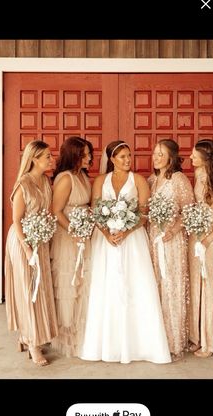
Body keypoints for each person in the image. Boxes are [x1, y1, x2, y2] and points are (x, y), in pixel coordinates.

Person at [80, 140, 171, 364]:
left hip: (132, 241)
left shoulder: (138, 180)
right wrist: (107, 233)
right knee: (107, 287)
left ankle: (142, 346)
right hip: (106, 241)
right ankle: (107, 345)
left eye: (129, 156)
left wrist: (126, 231)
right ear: (111, 159)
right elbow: (95, 210)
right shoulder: (101, 180)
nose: (127, 160)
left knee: (136, 285)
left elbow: (143, 213)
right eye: (122, 157)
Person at [5, 140, 58, 366]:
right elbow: (17, 220)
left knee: (39, 290)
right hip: (22, 241)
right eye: (46, 156)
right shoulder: (23, 184)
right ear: (34, 159)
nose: (50, 159)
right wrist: (27, 249)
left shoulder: (45, 181)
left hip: (40, 240)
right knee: (28, 290)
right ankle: (33, 345)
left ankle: (26, 336)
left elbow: (46, 212)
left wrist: (45, 236)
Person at [148, 139, 194, 361]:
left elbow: (188, 211)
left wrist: (173, 231)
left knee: (171, 287)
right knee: (155, 286)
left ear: (171, 158)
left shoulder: (179, 179)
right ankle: (157, 338)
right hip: (153, 239)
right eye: (155, 153)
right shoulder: (151, 180)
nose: (156, 157)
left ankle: (174, 343)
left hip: (172, 242)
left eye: (161, 154)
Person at [50, 136, 93, 357]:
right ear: (73, 155)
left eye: (89, 154)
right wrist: (74, 232)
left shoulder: (83, 176)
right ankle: (67, 337)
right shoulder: (66, 179)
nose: (89, 158)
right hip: (68, 237)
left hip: (83, 235)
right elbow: (56, 211)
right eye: (84, 154)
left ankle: (82, 333)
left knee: (83, 284)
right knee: (70, 283)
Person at [188, 139, 213, 357]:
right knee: (195, 286)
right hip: (196, 235)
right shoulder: (199, 174)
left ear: (205, 157)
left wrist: (208, 239)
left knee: (209, 287)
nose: (191, 157)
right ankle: (197, 337)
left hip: (212, 239)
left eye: (194, 154)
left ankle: (211, 342)